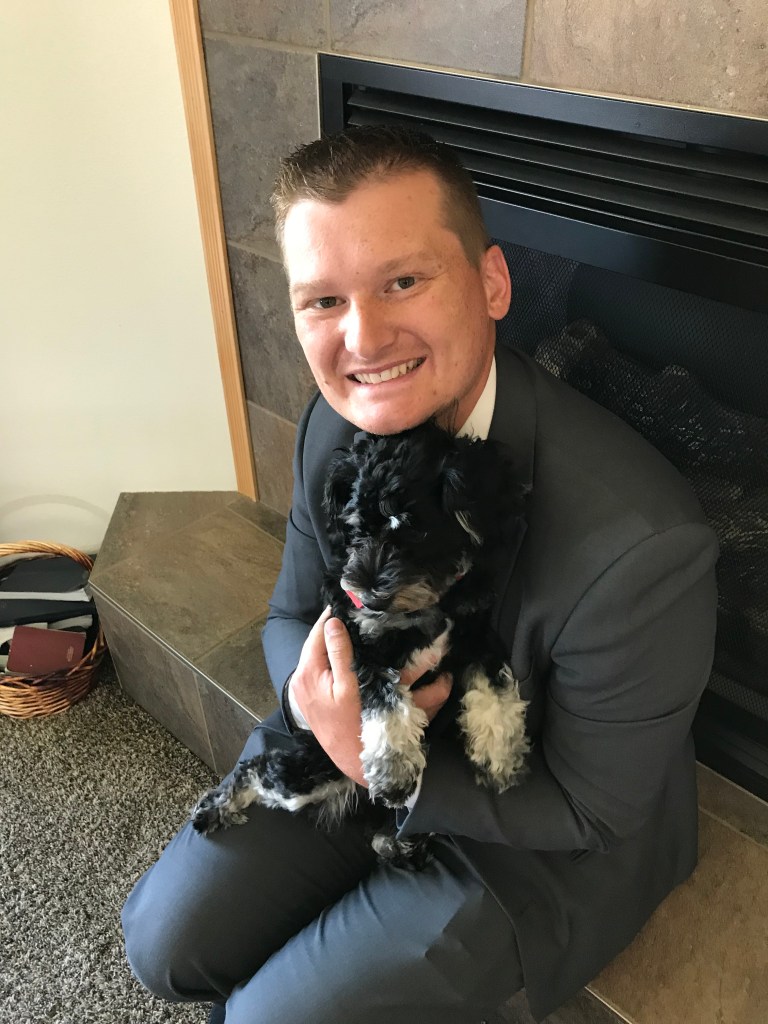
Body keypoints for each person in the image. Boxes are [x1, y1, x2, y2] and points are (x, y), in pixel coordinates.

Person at [121, 126, 719, 1023]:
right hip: (356, 740)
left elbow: (592, 812)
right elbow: (289, 617)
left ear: (493, 283)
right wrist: (340, 722)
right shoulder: (335, 425)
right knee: (162, 945)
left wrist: (389, 770)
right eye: (324, 300)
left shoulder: (647, 545)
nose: (362, 338)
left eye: (402, 280)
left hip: (526, 839)